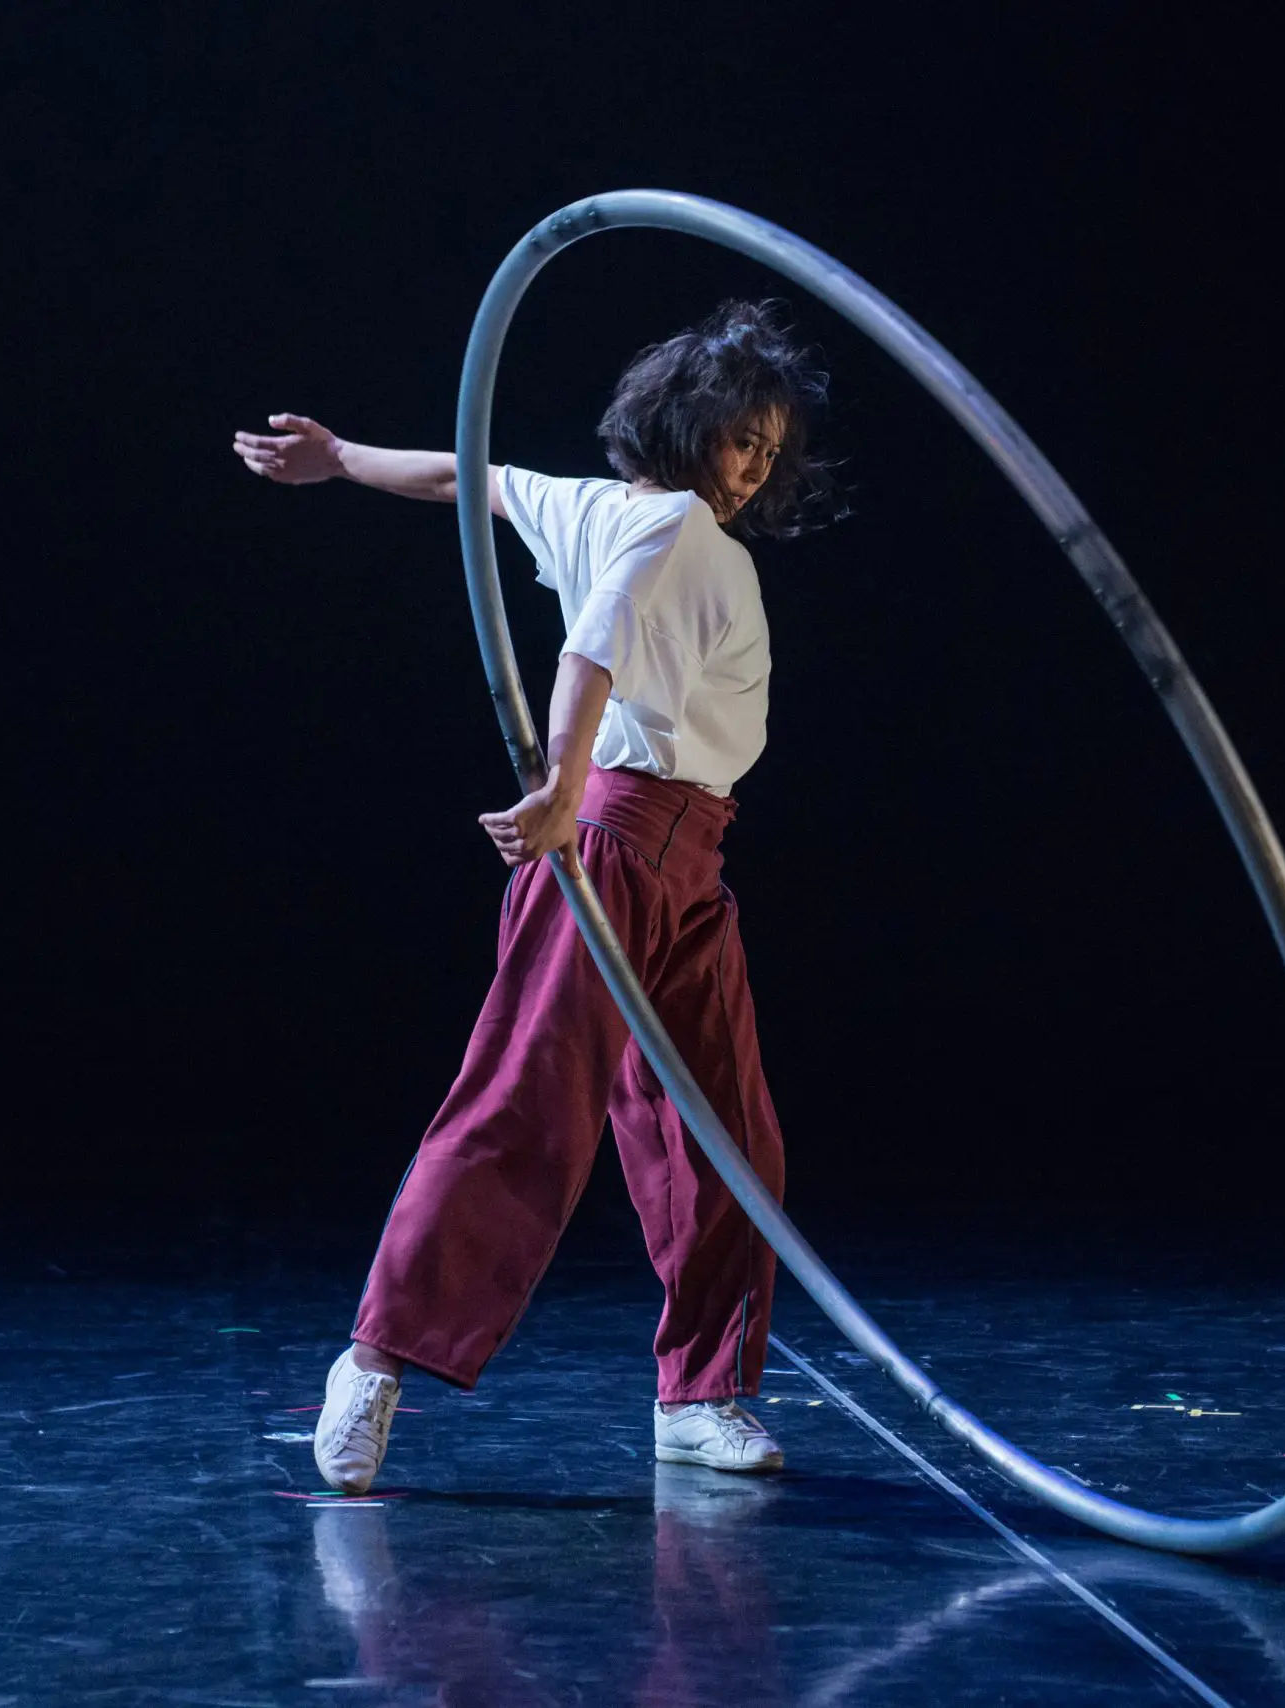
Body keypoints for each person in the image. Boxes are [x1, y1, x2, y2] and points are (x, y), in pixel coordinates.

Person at [231, 300, 840, 1493]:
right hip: (615, 837)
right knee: (527, 1105)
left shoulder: (597, 507)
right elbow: (590, 650)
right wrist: (559, 791)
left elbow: (468, 481)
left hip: (687, 859)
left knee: (725, 1132)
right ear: (685, 425)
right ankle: (375, 1360)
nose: (757, 467)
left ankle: (699, 1393)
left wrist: (341, 459)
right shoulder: (671, 526)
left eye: (771, 448)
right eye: (742, 439)